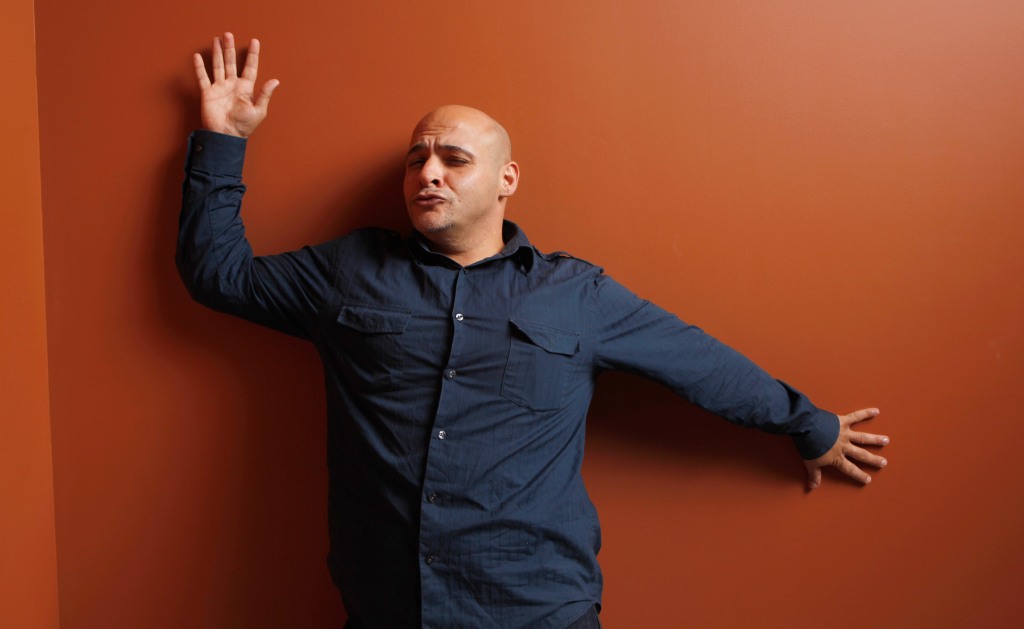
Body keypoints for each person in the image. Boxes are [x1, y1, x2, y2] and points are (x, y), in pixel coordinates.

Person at [179, 33, 889, 629]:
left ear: (505, 178)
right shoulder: (350, 269)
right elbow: (218, 274)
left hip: (535, 607)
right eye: (416, 158)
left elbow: (697, 363)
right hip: (388, 607)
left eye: (454, 159)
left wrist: (808, 424)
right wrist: (222, 139)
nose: (429, 172)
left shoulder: (575, 293)